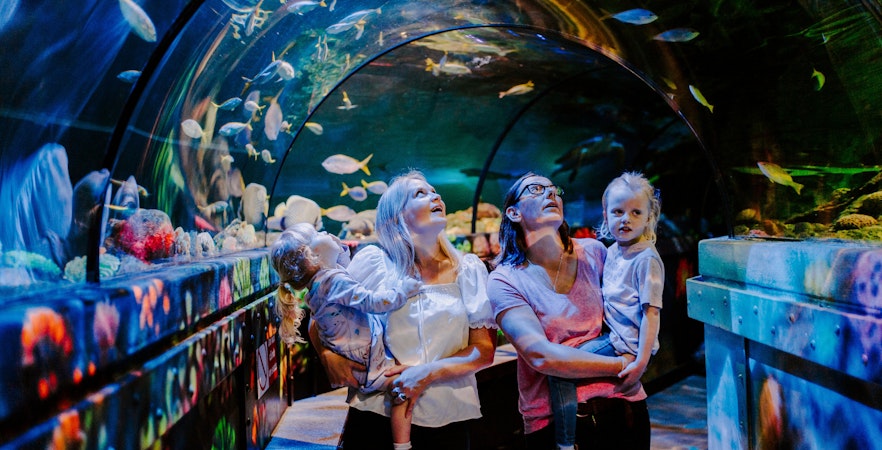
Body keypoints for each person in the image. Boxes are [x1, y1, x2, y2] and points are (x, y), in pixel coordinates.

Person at [310, 170, 497, 449]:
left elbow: (483, 350)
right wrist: (327, 356)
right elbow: (321, 319)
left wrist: (426, 374)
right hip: (376, 415)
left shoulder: (467, 269)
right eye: (420, 194)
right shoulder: (374, 263)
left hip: (448, 417)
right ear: (395, 216)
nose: (435, 196)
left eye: (435, 191)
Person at [487, 172, 650, 450]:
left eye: (554, 189)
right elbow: (541, 356)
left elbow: (627, 315)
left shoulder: (595, 252)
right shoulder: (505, 280)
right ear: (513, 212)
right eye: (536, 189)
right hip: (555, 421)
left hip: (623, 404)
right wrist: (622, 364)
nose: (550, 194)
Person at [271, 223, 421, 448]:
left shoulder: (319, 284)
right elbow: (372, 301)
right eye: (318, 234)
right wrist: (404, 291)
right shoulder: (332, 282)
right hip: (368, 362)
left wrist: (335, 249)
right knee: (402, 386)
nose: (326, 233)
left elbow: (343, 268)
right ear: (313, 256)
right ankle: (402, 445)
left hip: (355, 354)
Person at [546, 171, 664, 450]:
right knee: (561, 356)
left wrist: (640, 362)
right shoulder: (612, 251)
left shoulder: (646, 259)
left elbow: (652, 314)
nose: (626, 219)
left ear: (649, 217)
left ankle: (564, 442)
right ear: (605, 213)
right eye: (618, 211)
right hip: (611, 338)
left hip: (627, 344)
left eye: (636, 212)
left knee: (558, 368)